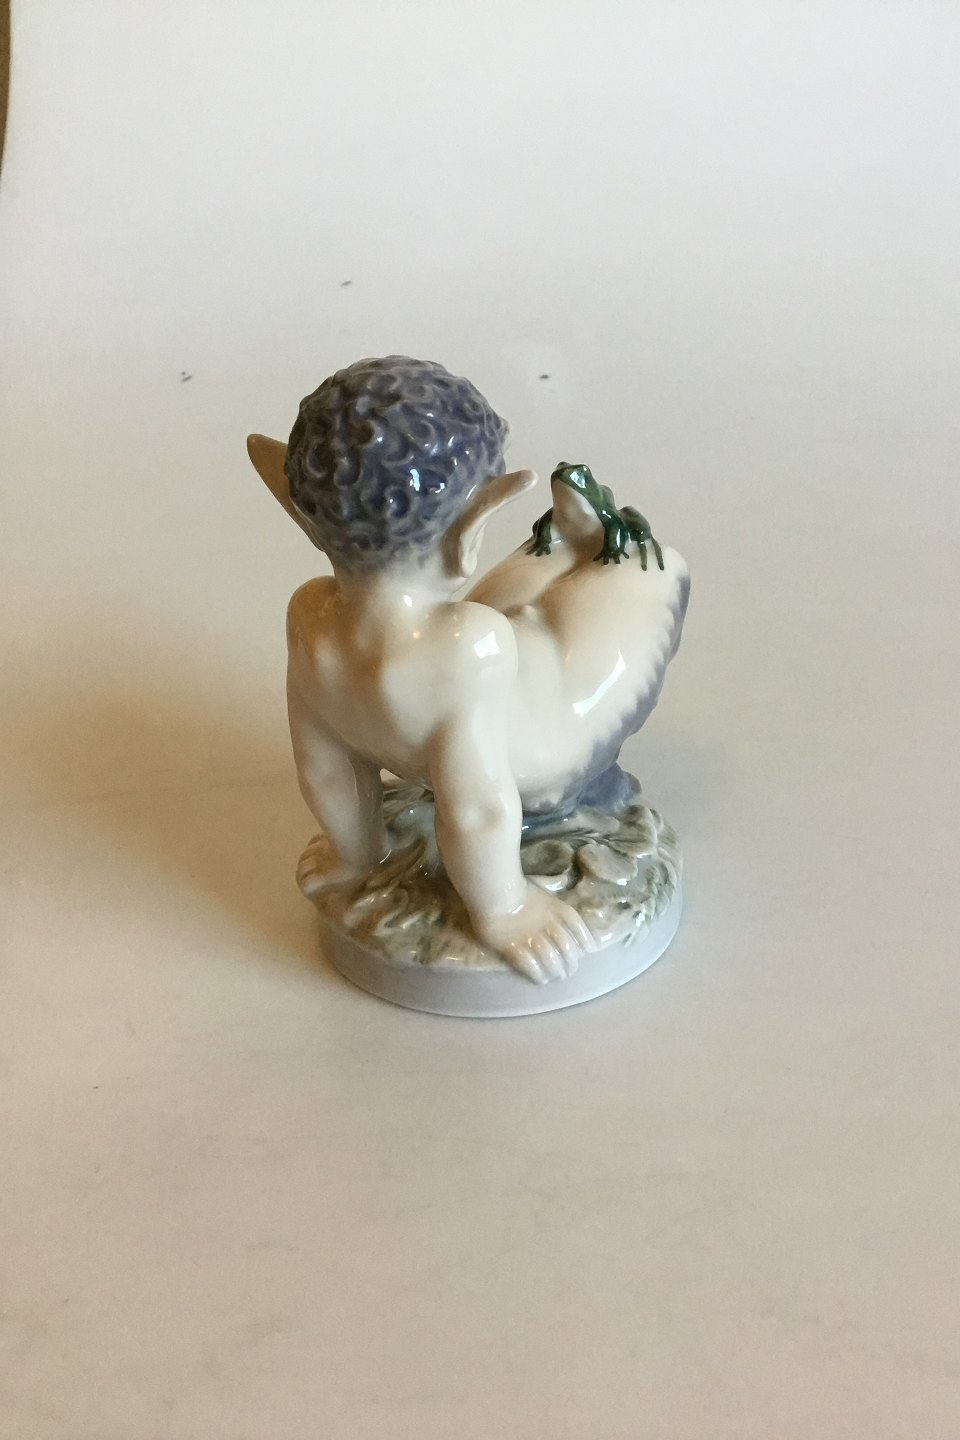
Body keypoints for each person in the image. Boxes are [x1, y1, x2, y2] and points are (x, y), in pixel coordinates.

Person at [248, 356, 688, 982]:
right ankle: (596, 544)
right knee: (652, 572)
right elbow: (478, 806)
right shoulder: (466, 646)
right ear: (469, 531)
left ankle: (569, 542)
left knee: (521, 605)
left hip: (478, 683)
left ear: (299, 513)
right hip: (545, 761)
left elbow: (325, 766)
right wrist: (504, 909)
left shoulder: (309, 617)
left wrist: (357, 856)